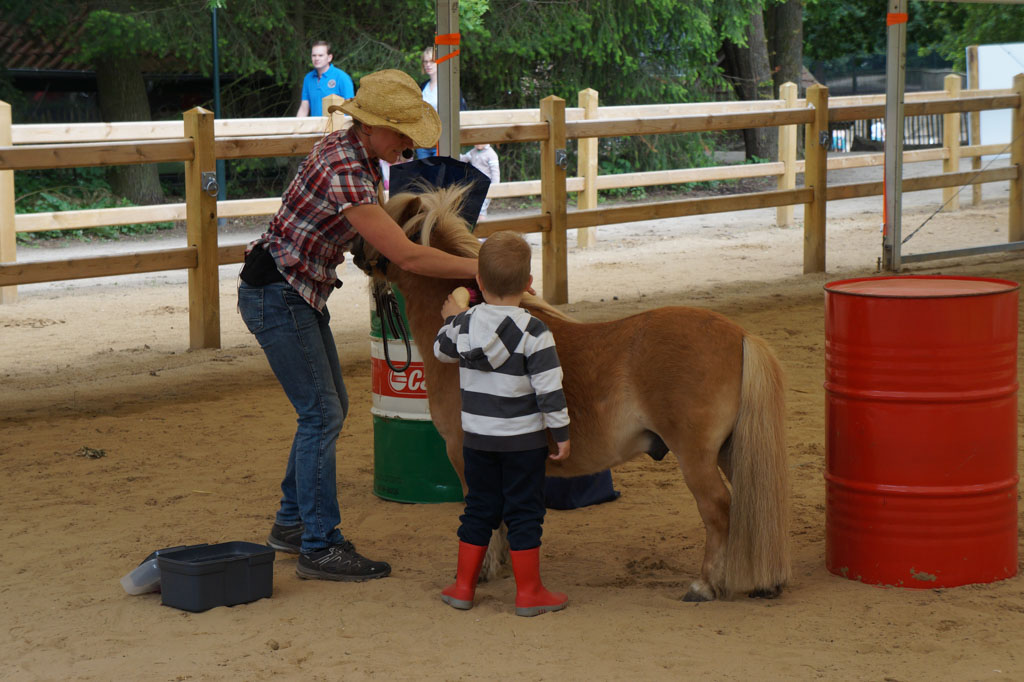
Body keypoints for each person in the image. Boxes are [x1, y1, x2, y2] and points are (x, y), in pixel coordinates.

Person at [238, 69, 478, 582]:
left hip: (289, 292)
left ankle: (291, 523)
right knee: (322, 413)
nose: (411, 142)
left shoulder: (359, 159)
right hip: (280, 295)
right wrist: (484, 270)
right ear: (371, 126)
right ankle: (320, 545)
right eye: (403, 131)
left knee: (324, 410)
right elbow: (407, 257)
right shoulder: (347, 166)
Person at [433, 231, 571, 616]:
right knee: (525, 512)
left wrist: (453, 315)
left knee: (478, 510)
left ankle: (462, 588)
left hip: (478, 442)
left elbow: (439, 350)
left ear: (478, 282)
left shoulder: (463, 326)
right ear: (528, 285)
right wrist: (560, 433)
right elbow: (550, 390)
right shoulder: (536, 332)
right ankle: (529, 593)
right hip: (523, 444)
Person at [296, 41, 355, 118]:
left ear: (329, 57)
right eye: (314, 55)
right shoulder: (308, 78)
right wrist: (296, 127)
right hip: (316, 128)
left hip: (337, 128)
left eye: (320, 55)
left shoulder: (342, 77)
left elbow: (351, 109)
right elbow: (304, 109)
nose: (316, 58)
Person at [459, 144, 499, 218]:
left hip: (486, 187)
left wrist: (495, 187)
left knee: (481, 210)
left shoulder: (491, 154)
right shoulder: (473, 152)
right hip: (475, 186)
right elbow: (463, 159)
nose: (478, 144)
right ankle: (479, 225)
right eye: (477, 142)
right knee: (474, 209)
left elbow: (495, 173)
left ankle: (482, 227)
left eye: (481, 142)